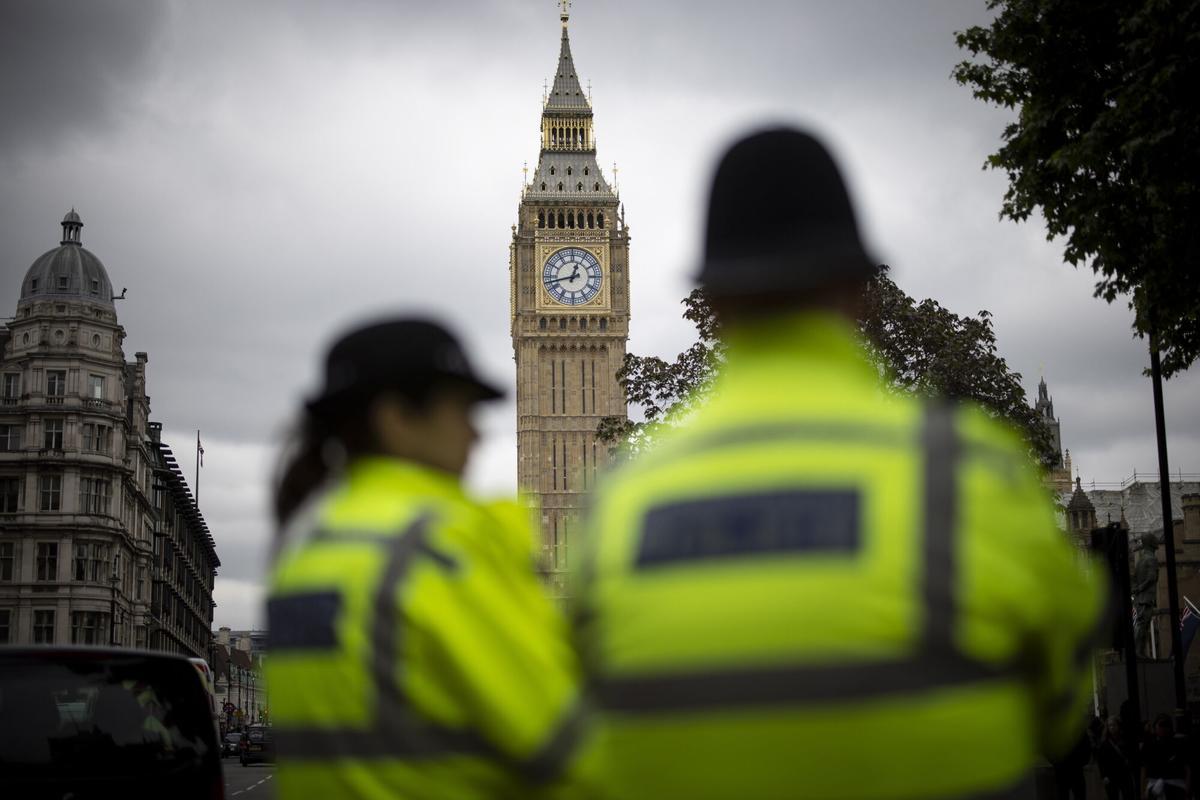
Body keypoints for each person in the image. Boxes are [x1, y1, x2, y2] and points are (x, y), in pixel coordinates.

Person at [570, 128, 1108, 799]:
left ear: (712, 302)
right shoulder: (972, 476)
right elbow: (1063, 705)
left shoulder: (618, 507)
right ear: (862, 291)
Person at [265, 318, 581, 799]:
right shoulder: (442, 547)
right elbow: (569, 749)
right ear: (396, 419)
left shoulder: (303, 556)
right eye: (460, 410)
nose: (476, 434)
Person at [1143, 714, 1190, 799]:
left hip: (1176, 787)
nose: (1163, 728)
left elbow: (1187, 767)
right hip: (1154, 786)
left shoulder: (1180, 744)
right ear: (1155, 726)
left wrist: (1187, 788)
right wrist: (1143, 790)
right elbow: (1144, 768)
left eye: (1166, 725)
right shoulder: (1149, 745)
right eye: (1161, 725)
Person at [1097, 716, 1135, 799]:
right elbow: (1101, 761)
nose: (1112, 727)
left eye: (1114, 725)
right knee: (1113, 796)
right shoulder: (1105, 743)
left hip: (1124, 774)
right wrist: (1104, 776)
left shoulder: (1125, 739)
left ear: (1118, 726)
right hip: (1111, 775)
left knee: (1128, 795)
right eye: (1110, 725)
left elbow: (1131, 755)